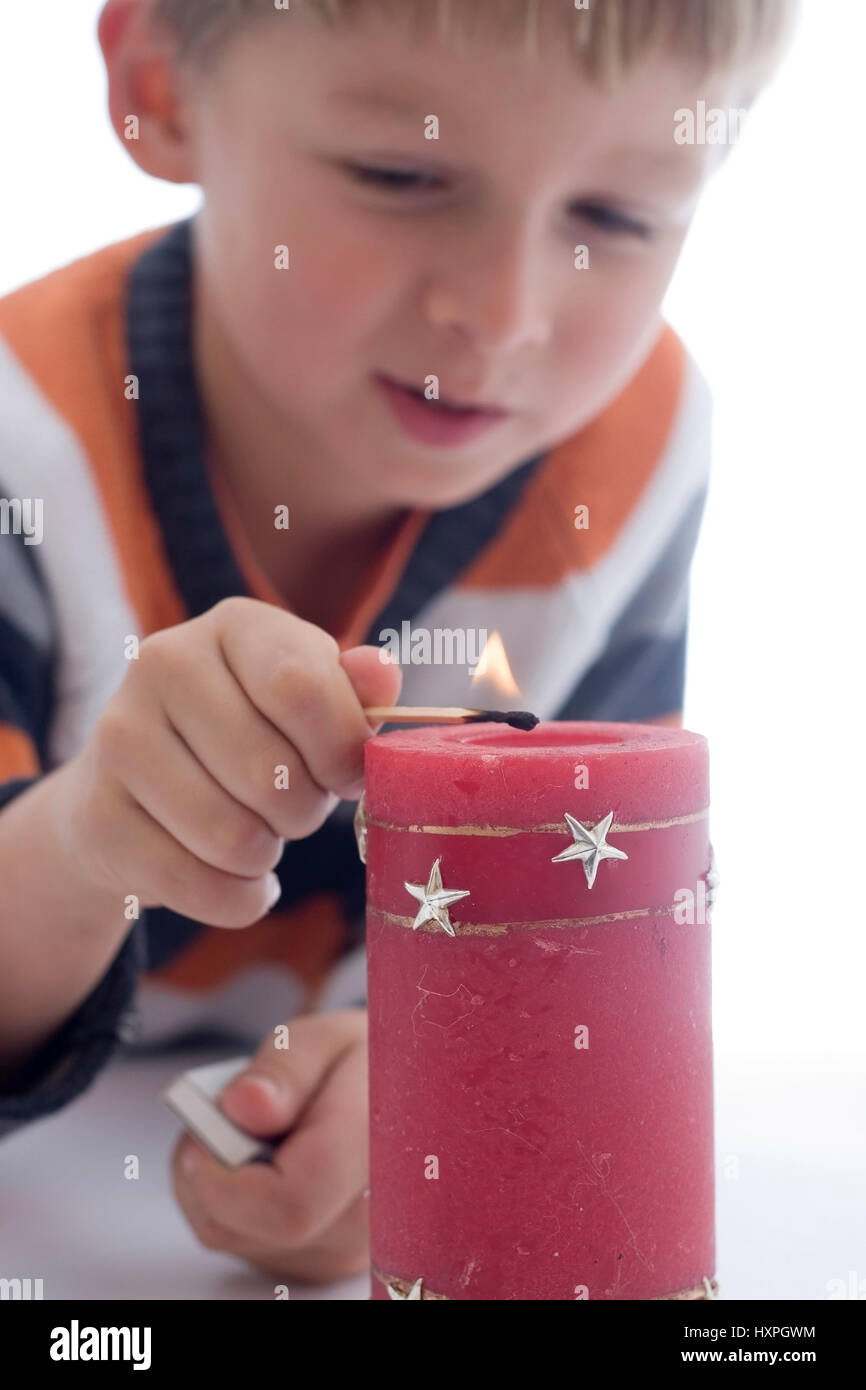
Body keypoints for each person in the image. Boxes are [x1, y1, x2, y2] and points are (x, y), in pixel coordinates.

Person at [0, 0, 797, 1283]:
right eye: (401, 175)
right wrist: (89, 832)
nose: (502, 315)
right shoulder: (22, 442)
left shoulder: (636, 446)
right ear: (163, 89)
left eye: (615, 218)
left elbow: (584, 939)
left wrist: (418, 1085)